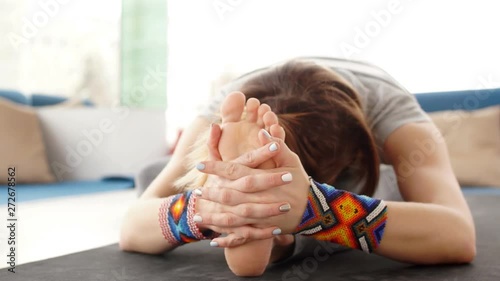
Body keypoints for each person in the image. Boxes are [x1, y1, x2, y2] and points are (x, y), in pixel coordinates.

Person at [120, 58, 476, 276]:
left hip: (360, 157)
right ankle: (264, 215)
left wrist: (314, 209)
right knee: (155, 175)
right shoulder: (225, 115)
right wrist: (207, 208)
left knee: (388, 188)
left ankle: (283, 214)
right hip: (250, 121)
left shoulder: (393, 116)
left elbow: (459, 236)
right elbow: (131, 229)